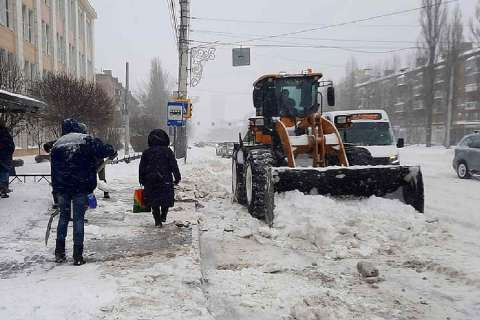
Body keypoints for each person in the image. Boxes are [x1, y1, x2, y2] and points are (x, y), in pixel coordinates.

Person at [51, 118, 116, 265]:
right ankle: (77, 255)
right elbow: (105, 150)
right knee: (78, 219)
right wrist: (111, 150)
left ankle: (59, 252)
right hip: (80, 187)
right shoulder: (85, 140)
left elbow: (53, 167)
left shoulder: (58, 143)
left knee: (63, 218)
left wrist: (55, 188)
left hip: (62, 188)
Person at [139, 129, 181, 227]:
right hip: (165, 179)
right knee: (165, 199)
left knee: (154, 201)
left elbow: (142, 167)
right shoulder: (168, 151)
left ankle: (157, 221)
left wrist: (142, 179)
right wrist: (177, 177)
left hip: (151, 180)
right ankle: (164, 215)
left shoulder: (147, 152)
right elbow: (174, 165)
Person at [0, 124, 15, 198]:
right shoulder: (6, 135)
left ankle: (3, 190)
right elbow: (11, 146)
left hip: (4, 156)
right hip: (4, 157)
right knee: (4, 173)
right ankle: (3, 191)